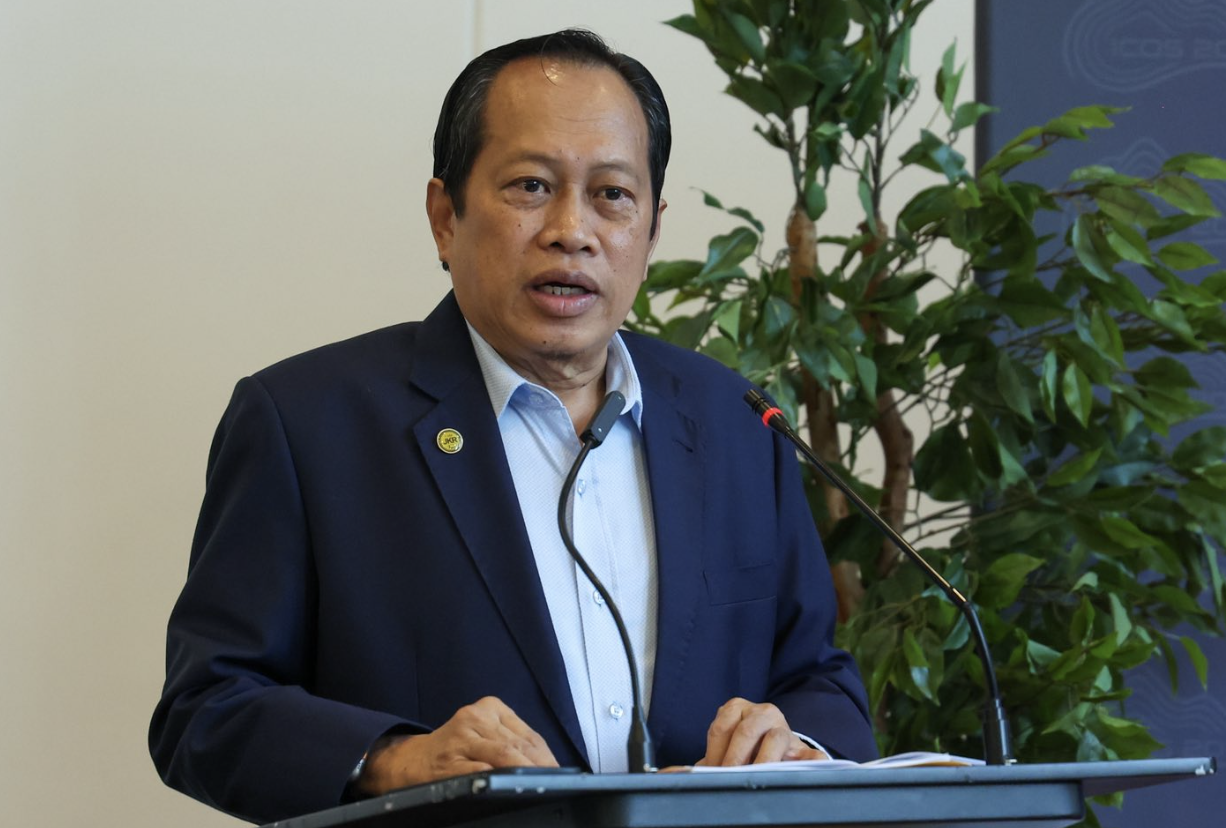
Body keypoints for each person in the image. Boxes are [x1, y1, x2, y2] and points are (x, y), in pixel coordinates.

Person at [149, 29, 876, 824]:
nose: (572, 229)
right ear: (444, 217)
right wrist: (397, 759)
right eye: (531, 186)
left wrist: (797, 742)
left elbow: (819, 676)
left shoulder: (736, 420)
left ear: (652, 230)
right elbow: (205, 709)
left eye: (612, 195)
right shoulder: (307, 424)